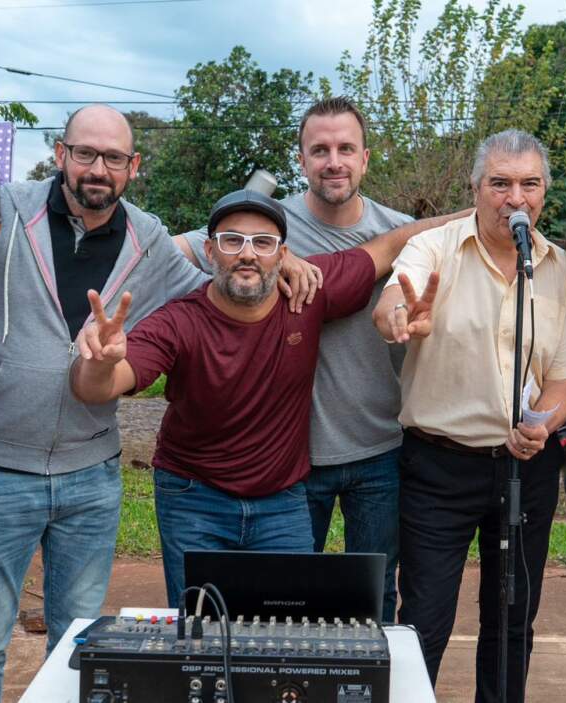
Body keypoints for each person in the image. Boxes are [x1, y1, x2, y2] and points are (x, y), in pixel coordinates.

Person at [0, 104, 320, 701]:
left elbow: (225, 288)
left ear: (133, 167)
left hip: (92, 478)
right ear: (61, 154)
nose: (97, 169)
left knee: (80, 646)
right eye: (85, 153)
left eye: (113, 158)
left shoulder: (150, 240)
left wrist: (274, 256)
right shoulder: (3, 210)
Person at [175, 97, 464, 621]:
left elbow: (460, 239)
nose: (334, 161)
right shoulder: (263, 231)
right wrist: (273, 253)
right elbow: (176, 248)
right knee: (286, 600)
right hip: (293, 461)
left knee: (372, 598)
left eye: (346, 149)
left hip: (380, 450)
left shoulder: (403, 234)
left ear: (366, 158)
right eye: (320, 150)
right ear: (301, 159)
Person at [73, 189, 431, 607]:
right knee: (202, 631)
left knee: (284, 632)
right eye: (232, 241)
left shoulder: (307, 293)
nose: (247, 254)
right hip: (194, 497)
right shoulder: (179, 321)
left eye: (262, 242)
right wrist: (99, 361)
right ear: (209, 251)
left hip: (282, 502)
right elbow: (95, 387)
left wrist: (482, 213)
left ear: (282, 255)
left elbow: (390, 243)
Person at [373, 129, 566, 703]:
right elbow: (395, 301)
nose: (514, 197)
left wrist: (542, 422)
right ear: (476, 188)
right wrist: (398, 318)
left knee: (512, 619)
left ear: (544, 193)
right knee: (423, 618)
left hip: (526, 469)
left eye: (528, 184)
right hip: (437, 467)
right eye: (500, 183)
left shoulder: (562, 270)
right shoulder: (436, 246)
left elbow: (564, 379)